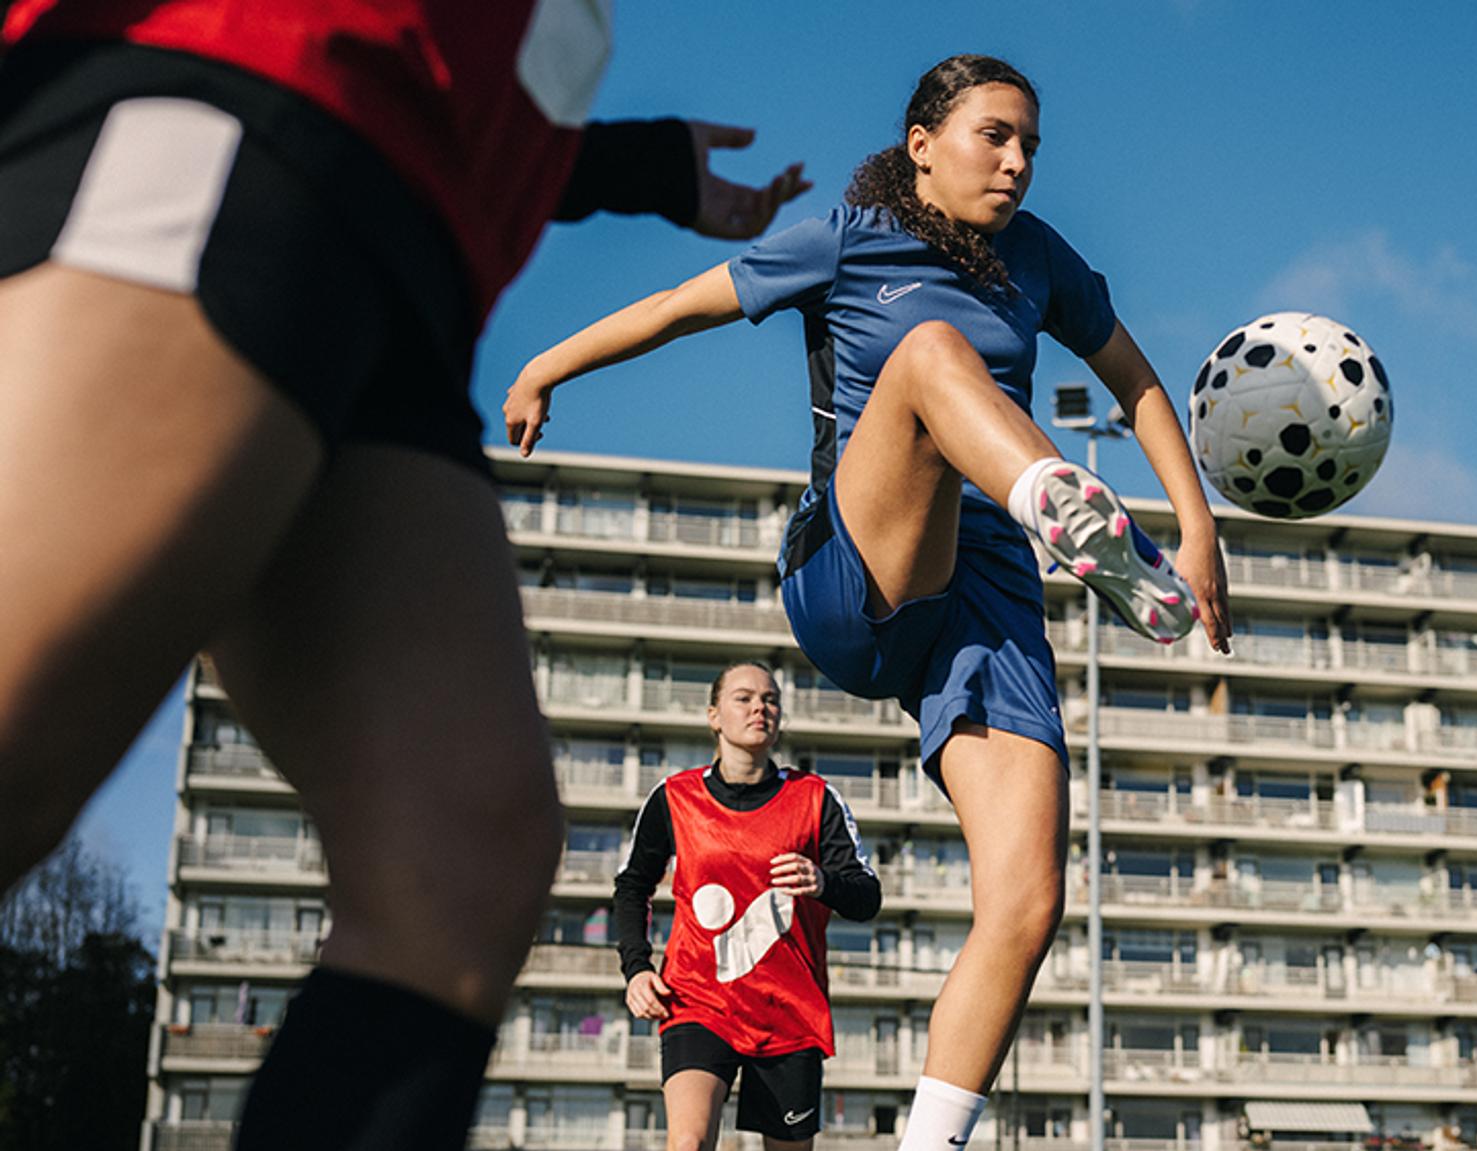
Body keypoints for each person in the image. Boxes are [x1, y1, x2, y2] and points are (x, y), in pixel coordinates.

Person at [0, 4, 808, 1147]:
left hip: (403, 248)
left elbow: (450, 67)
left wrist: (631, 165)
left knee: (462, 850)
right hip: (234, 108)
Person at [506, 53, 1234, 1148]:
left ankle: (928, 1140)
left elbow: (1133, 379)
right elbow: (675, 308)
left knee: (1027, 897)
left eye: (1030, 142)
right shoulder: (845, 237)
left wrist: (1196, 523)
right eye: (994, 134)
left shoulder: (1036, 259)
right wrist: (543, 368)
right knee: (933, 354)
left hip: (984, 597)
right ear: (921, 142)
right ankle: (1057, 503)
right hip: (855, 564)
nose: (1018, 161)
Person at [614, 660, 880, 1151]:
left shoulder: (816, 799)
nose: (760, 706)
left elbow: (867, 897)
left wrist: (822, 881)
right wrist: (636, 968)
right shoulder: (675, 798)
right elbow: (632, 888)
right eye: (744, 697)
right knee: (688, 1143)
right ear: (714, 715)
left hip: (789, 1011)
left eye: (771, 698)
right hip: (698, 999)